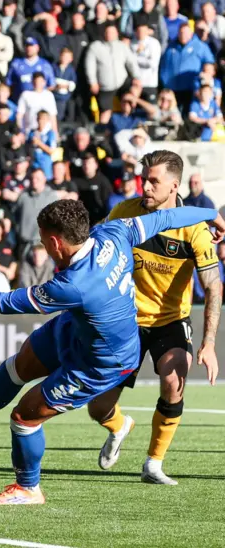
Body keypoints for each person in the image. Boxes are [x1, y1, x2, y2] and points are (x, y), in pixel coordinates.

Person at [0, 197, 225, 505]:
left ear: (55, 242)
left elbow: (4, 303)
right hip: (76, 330)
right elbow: (168, 218)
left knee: (24, 417)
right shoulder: (115, 233)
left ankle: (28, 489)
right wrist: (210, 213)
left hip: (101, 363)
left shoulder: (73, 285)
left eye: (45, 243)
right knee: (15, 369)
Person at [87, 151, 222, 485]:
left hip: (169, 320)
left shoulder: (195, 230)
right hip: (124, 320)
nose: (144, 186)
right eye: (143, 179)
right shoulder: (124, 212)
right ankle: (119, 426)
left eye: (153, 181)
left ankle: (153, 463)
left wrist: (208, 343)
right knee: (96, 407)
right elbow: (97, 252)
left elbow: (214, 287)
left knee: (175, 377)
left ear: (174, 186)